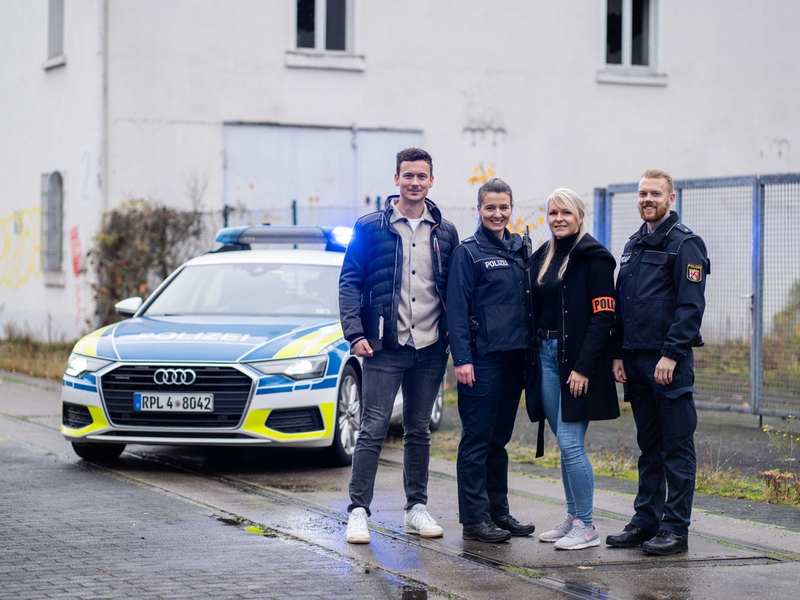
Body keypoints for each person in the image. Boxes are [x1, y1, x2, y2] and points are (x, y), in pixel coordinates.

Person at [338, 147, 459, 544]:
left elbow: (453, 291)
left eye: (421, 176)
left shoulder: (445, 231)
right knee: (372, 429)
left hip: (429, 347)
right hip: (384, 346)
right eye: (408, 176)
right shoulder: (369, 227)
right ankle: (358, 511)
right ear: (396, 179)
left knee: (419, 430)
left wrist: (453, 341)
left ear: (431, 181)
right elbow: (350, 281)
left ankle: (416, 509)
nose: (414, 183)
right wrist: (356, 333)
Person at [605, 169, 709, 556]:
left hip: (669, 363)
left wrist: (671, 353)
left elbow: (690, 307)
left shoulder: (685, 245)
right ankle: (646, 520)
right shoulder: (634, 245)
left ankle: (675, 529)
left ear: (671, 198)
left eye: (655, 194)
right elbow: (622, 305)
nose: (647, 199)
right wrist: (617, 352)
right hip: (635, 362)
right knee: (648, 447)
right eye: (642, 193)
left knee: (676, 448)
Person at [525, 188, 619, 550]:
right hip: (545, 356)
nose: (558, 219)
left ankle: (588, 526)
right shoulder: (544, 256)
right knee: (564, 444)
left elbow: (603, 316)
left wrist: (582, 368)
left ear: (580, 216)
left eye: (566, 212)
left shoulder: (594, 258)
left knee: (570, 442)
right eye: (552, 213)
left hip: (578, 364)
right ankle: (573, 517)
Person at [447, 177, 535, 543]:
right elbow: (456, 307)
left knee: (499, 441)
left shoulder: (521, 249)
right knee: (477, 441)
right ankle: (475, 519)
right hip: (481, 362)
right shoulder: (468, 252)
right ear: (479, 210)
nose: (497, 214)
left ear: (511, 209)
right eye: (490, 207)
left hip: (515, 360)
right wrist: (462, 359)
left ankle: (498, 512)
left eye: (504, 207)